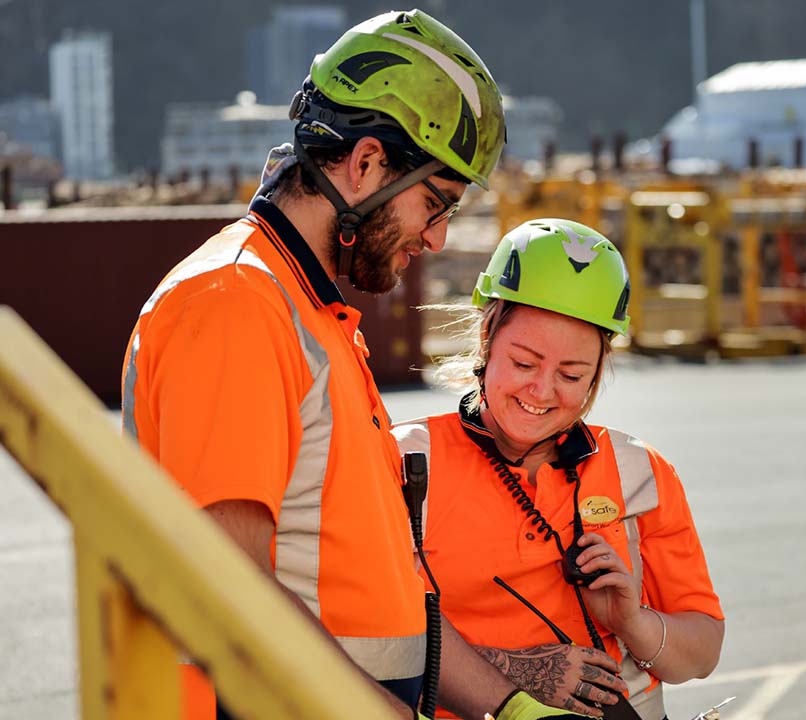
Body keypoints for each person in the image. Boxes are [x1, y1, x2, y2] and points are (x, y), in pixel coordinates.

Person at [122, 11, 582, 720]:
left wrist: (509, 708)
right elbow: (230, 591)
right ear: (365, 164)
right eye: (435, 203)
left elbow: (391, 598)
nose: (437, 238)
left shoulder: (310, 317)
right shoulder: (234, 305)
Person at [393, 219, 726, 719]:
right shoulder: (406, 463)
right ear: (487, 336)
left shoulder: (639, 473)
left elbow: (700, 653)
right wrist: (514, 672)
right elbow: (357, 643)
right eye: (524, 364)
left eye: (572, 375)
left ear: (600, 369)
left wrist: (632, 621)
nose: (542, 392)